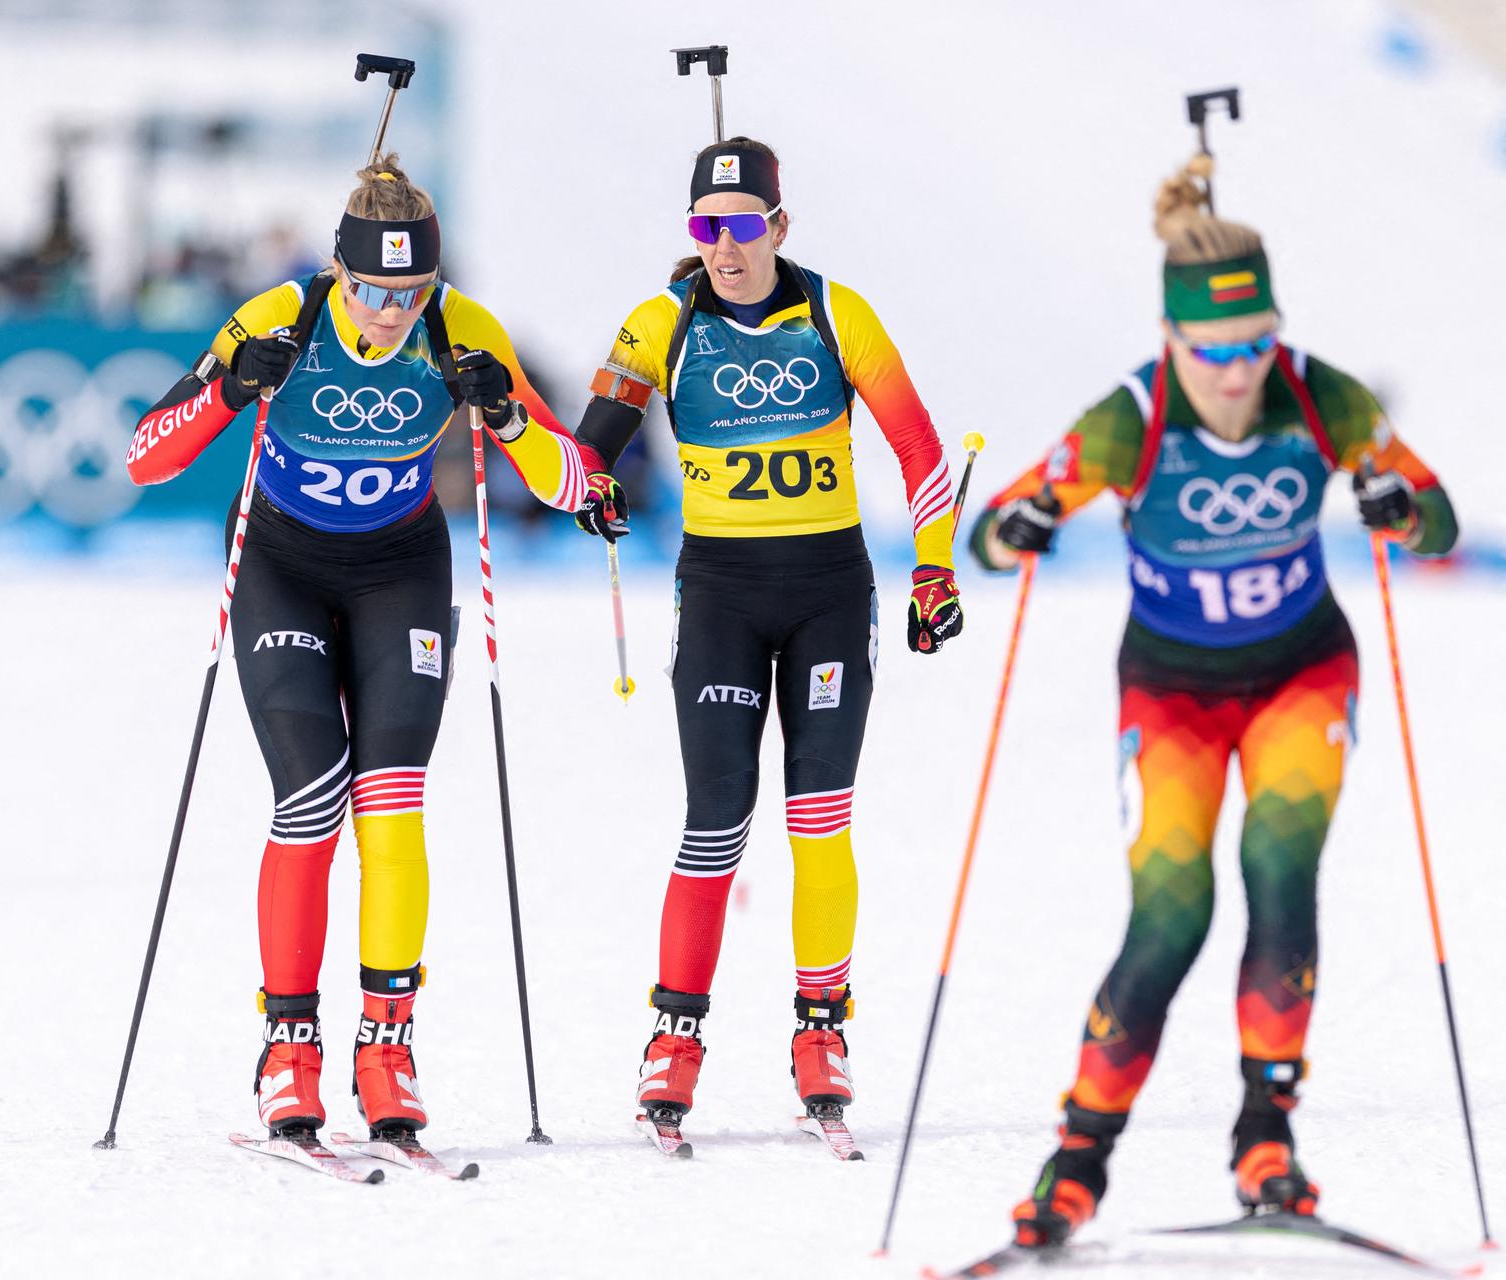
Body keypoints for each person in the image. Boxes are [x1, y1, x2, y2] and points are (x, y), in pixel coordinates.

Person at [968, 156, 1459, 1247]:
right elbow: (987, 533)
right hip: (1172, 690)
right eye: (1213, 351)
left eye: (1255, 345)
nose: (1238, 374)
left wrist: (1399, 505)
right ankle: (1077, 1159)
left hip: (1300, 673)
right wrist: (1017, 529)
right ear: (1171, 337)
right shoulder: (1126, 419)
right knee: (1171, 913)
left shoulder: (1322, 392)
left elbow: (1439, 517)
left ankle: (1265, 1135)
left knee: (1280, 876)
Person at [126, 154, 597, 1141]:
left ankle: (387, 1043)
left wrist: (505, 413)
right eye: (372, 290)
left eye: (409, 291)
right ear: (338, 275)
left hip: (400, 572)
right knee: (309, 794)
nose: (389, 312)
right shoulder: (279, 318)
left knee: (390, 798)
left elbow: (578, 489)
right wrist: (226, 392)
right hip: (281, 564)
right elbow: (145, 455)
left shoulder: (461, 329)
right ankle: (288, 1044)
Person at [568, 136, 965, 1127]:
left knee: (818, 819)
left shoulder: (838, 312)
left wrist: (934, 569)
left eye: (743, 227)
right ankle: (676, 1033)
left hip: (830, 591)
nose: (725, 247)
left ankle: (821, 1024)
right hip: (722, 599)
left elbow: (917, 446)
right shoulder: (660, 321)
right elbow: (587, 453)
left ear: (779, 226)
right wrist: (595, 491)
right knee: (716, 821)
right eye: (707, 228)